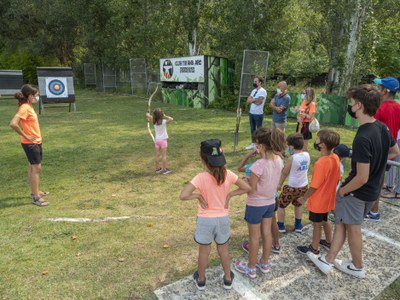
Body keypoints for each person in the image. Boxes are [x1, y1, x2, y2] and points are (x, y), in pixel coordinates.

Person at [308, 85, 399, 279]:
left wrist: (342, 191)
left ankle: (357, 266)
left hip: (357, 192)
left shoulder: (363, 136)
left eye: (351, 103)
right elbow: (394, 151)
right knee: (343, 224)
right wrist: (378, 167)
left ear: (358, 105)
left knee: (353, 228)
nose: (350, 106)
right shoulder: (381, 128)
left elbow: (361, 177)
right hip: (372, 191)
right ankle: (328, 259)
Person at [180, 139, 251, 290]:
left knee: (204, 252)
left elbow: (183, 195)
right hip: (222, 219)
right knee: (223, 250)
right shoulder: (229, 174)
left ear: (202, 159)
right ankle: (227, 278)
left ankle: (201, 280)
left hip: (205, 220)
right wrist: (230, 194)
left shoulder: (200, 177)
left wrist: (198, 196)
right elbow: (247, 188)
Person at [234, 127, 286, 278]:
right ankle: (264, 263)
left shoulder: (258, 165)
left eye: (256, 144)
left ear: (261, 146)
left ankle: (250, 267)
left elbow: (251, 189)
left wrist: (244, 181)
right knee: (267, 234)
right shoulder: (279, 160)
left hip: (255, 205)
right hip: (270, 203)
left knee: (254, 237)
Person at [296, 130, 340, 255]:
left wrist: (304, 198)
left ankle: (314, 248)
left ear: (323, 145)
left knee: (317, 224)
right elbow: (337, 179)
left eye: (317, 139)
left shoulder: (320, 163)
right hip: (329, 198)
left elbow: (314, 186)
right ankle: (328, 241)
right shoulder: (335, 157)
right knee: (325, 220)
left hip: (319, 201)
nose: (315, 141)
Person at [365, 77, 400, 221]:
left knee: (372, 181)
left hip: (376, 149)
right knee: (378, 180)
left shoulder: (379, 108)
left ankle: (372, 211)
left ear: (384, 91)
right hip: (389, 149)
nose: (377, 90)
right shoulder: (398, 107)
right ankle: (373, 210)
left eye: (379, 88)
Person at [9, 84, 49, 206]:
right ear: (30, 96)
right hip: (31, 143)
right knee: (36, 168)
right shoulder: (25, 108)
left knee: (32, 167)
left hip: (35, 141)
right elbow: (13, 124)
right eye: (36, 95)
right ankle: (36, 197)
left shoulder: (28, 106)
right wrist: (26, 136)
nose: (37, 97)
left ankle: (35, 192)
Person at [238, 150, 282, 254]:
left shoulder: (254, 166)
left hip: (258, 202)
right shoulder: (277, 161)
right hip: (272, 198)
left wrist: (247, 155)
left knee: (256, 232)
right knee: (272, 222)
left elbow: (240, 169)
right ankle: (276, 244)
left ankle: (253, 251)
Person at [277, 133, 310, 234]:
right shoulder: (307, 155)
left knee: (281, 205)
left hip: (291, 187)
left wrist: (279, 184)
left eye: (288, 146)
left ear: (291, 147)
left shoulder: (292, 158)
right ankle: (298, 225)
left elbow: (285, 172)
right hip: (303, 187)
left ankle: (281, 225)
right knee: (298, 205)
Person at [146, 108, 173, 174]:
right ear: (161, 115)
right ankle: (164, 170)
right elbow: (171, 119)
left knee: (157, 155)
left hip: (157, 141)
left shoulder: (154, 121)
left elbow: (148, 115)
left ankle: (157, 169)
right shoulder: (163, 122)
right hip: (163, 141)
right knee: (164, 155)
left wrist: (148, 115)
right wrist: (165, 116)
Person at [245, 76, 267, 150]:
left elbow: (259, 102)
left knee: (259, 130)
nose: (254, 83)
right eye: (254, 81)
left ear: (260, 82)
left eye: (256, 81)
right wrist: (254, 100)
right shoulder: (253, 91)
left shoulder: (263, 91)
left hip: (258, 114)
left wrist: (253, 100)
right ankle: (253, 143)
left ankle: (260, 144)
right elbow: (248, 100)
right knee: (252, 129)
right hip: (251, 113)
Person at [296, 87, 317, 151]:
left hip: (306, 125)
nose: (302, 94)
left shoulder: (312, 104)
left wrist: (303, 114)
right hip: (300, 124)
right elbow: (301, 112)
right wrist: (298, 113)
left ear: (309, 94)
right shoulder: (304, 102)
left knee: (304, 145)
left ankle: (307, 159)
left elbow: (309, 117)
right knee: (299, 142)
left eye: (304, 93)